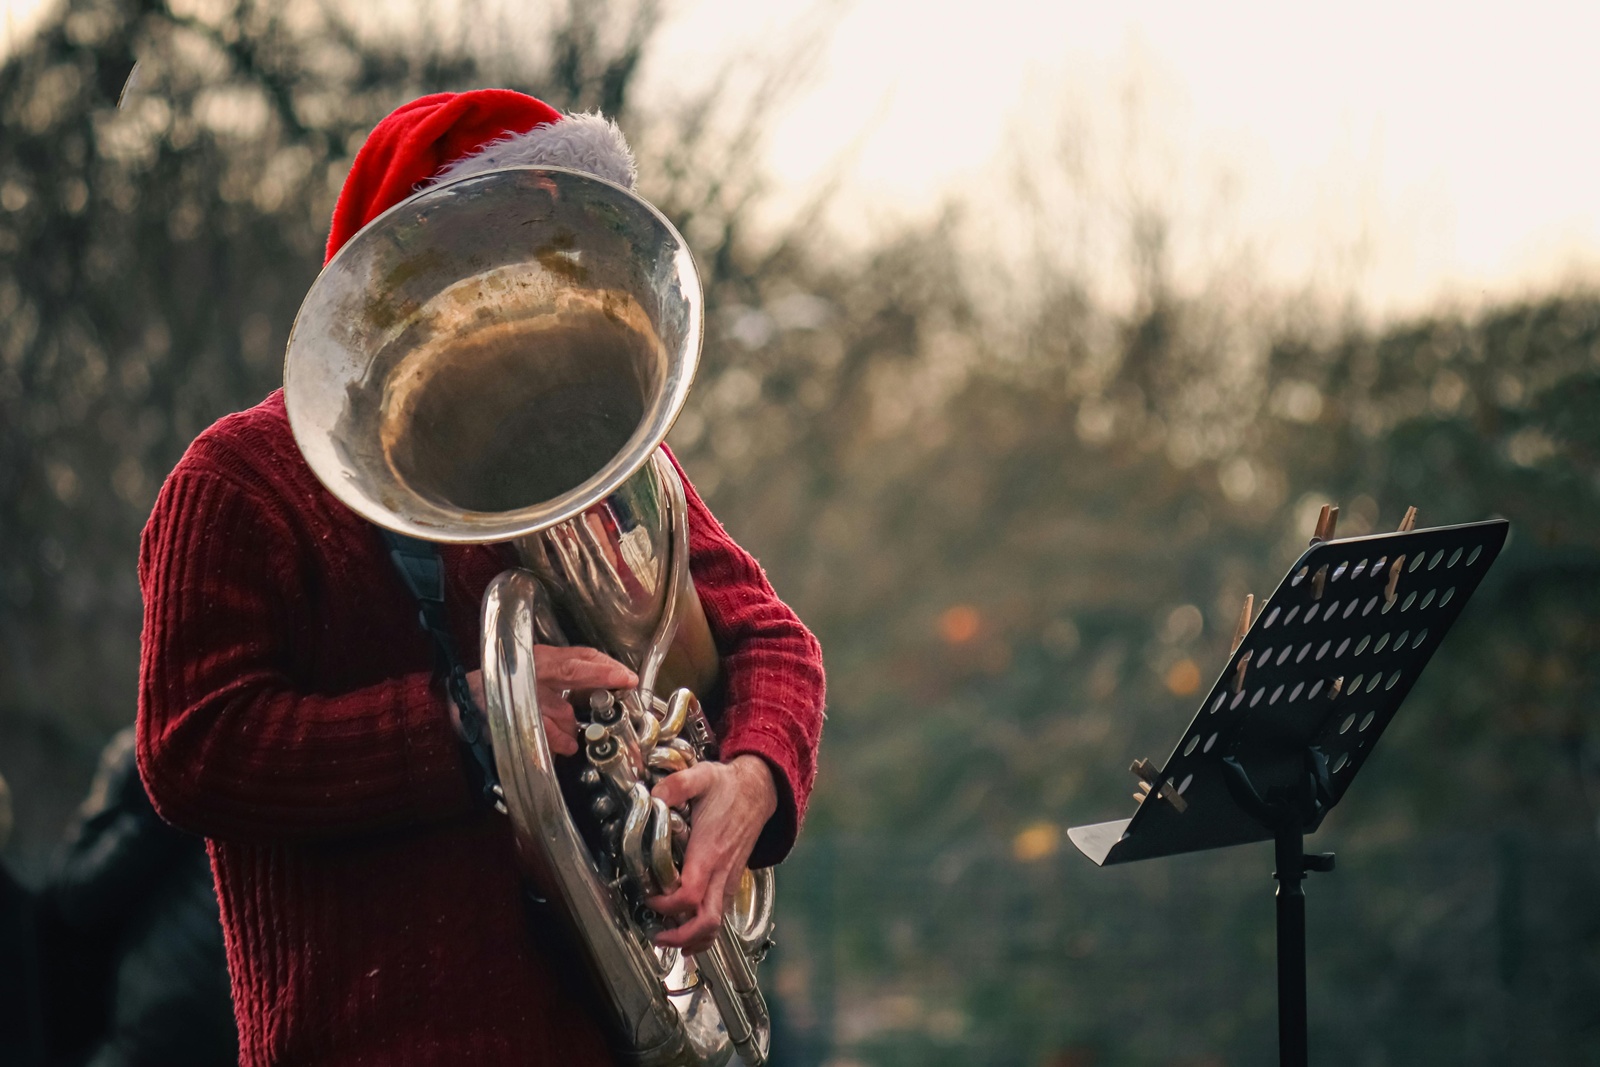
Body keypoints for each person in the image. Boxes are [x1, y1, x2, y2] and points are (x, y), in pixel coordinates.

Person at [136, 90, 825, 1066]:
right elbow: (190, 745)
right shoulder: (238, 477)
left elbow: (773, 637)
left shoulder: (609, 462)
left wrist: (753, 779)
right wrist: (472, 719)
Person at [44, 728, 237, 1067]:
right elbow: (75, 894)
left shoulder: (178, 752)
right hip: (183, 1031)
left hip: (180, 1027)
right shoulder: (149, 755)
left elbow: (75, 894)